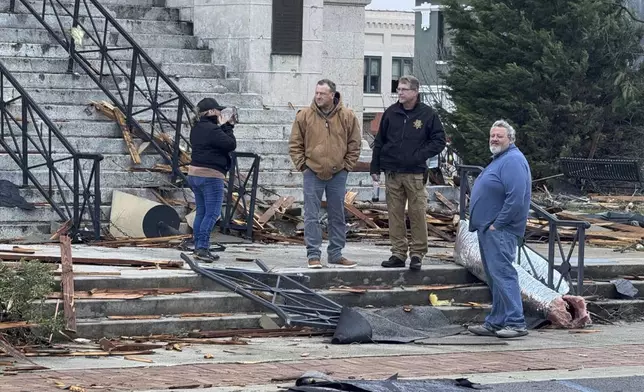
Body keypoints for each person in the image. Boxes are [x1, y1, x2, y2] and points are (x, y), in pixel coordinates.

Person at [370, 75, 446, 270]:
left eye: (404, 89)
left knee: (417, 213)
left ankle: (418, 253)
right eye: (399, 89)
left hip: (415, 174)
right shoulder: (391, 113)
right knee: (394, 214)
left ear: (415, 92)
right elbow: (379, 142)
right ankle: (398, 253)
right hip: (392, 173)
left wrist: (419, 155)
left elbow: (439, 141)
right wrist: (375, 168)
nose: (400, 92)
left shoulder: (428, 114)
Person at [467, 120, 532, 339]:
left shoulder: (512, 160)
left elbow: (516, 197)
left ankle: (516, 322)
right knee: (495, 277)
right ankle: (496, 321)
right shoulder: (500, 159)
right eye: (492, 135)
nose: (494, 139)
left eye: (499, 136)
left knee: (503, 274)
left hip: (500, 230)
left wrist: (498, 223)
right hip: (488, 229)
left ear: (510, 139)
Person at [289, 79, 362, 269]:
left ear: (332, 95)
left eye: (322, 93)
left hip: (338, 173)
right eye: (316, 93)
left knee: (337, 214)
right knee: (311, 215)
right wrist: (303, 166)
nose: (318, 96)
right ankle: (313, 254)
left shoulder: (347, 116)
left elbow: (355, 143)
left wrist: (347, 166)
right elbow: (295, 143)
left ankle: (336, 254)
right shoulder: (304, 115)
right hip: (312, 171)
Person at [188, 97, 236, 263]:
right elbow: (230, 144)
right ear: (210, 112)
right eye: (217, 110)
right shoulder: (213, 130)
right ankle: (202, 248)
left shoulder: (196, 128)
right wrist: (228, 126)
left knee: (201, 211)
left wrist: (222, 126)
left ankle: (198, 246)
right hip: (210, 175)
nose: (220, 114)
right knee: (212, 213)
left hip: (194, 174)